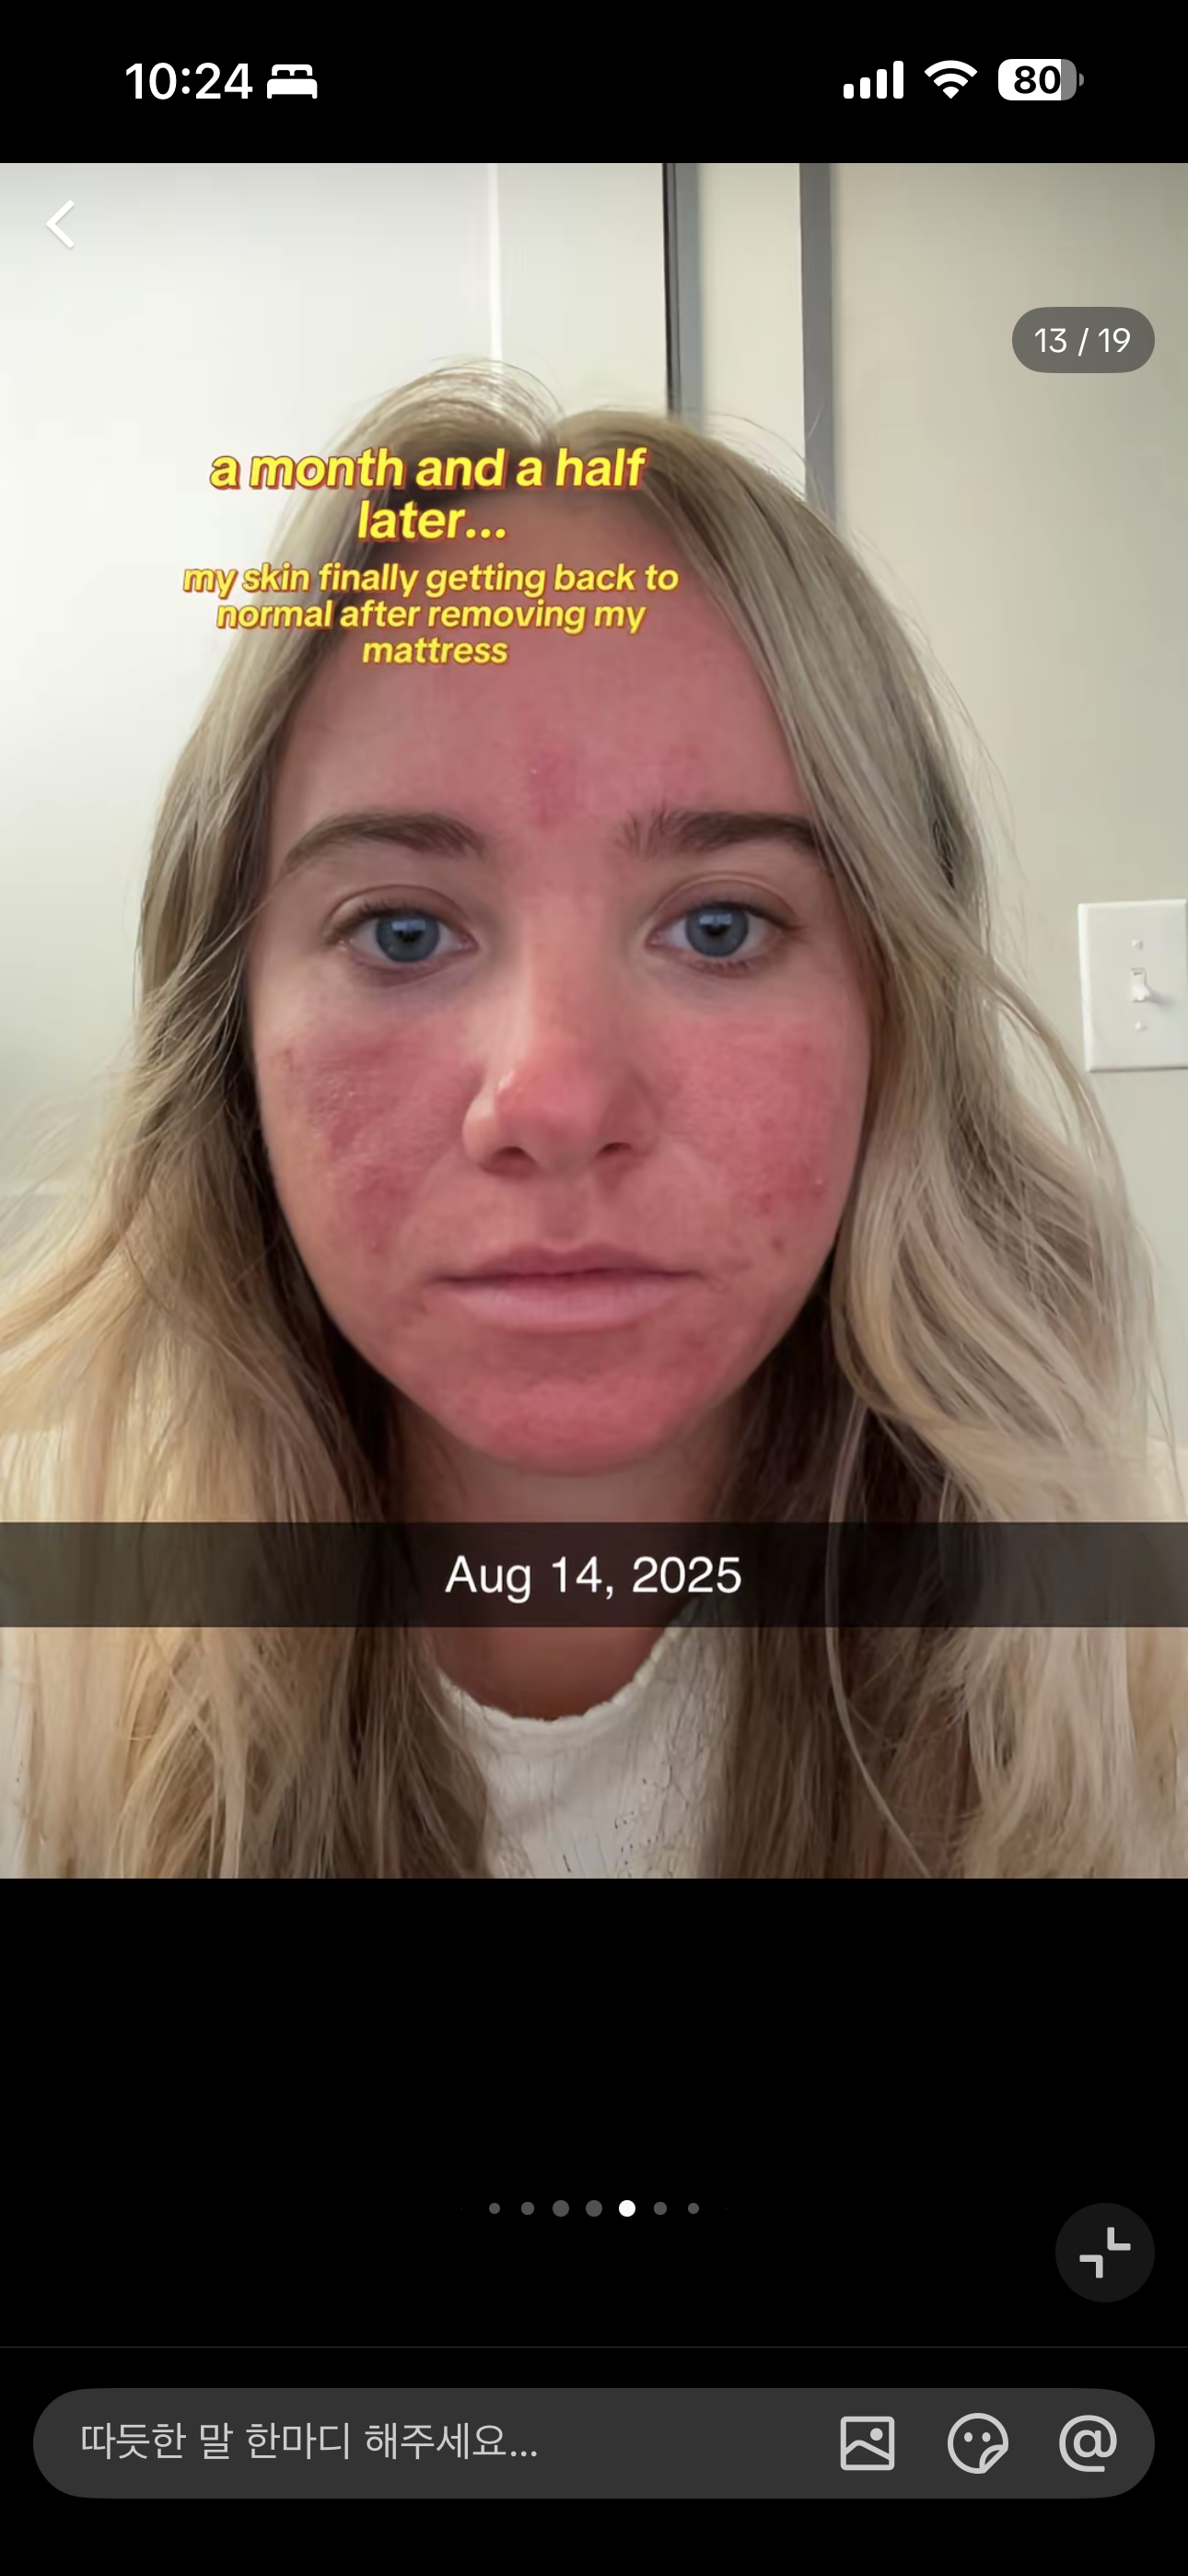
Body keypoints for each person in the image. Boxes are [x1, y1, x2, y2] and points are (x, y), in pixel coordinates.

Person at [1, 359, 1184, 1877]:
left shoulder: (1131, 1661)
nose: (553, 1101)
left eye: (717, 927)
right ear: (229, 1038)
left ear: (895, 1017)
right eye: (402, 932)